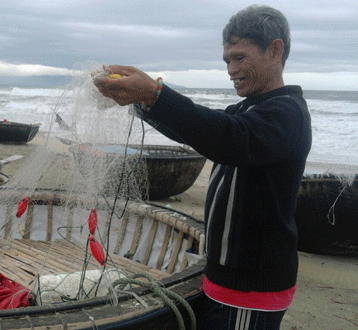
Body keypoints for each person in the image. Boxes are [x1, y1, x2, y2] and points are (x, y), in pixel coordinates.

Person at [94, 5, 312, 330]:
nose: (230, 69)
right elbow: (202, 132)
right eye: (226, 60)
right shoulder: (249, 109)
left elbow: (229, 139)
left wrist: (155, 94)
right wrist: (140, 102)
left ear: (274, 50)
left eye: (239, 57)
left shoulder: (287, 113)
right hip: (225, 280)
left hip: (249, 288)